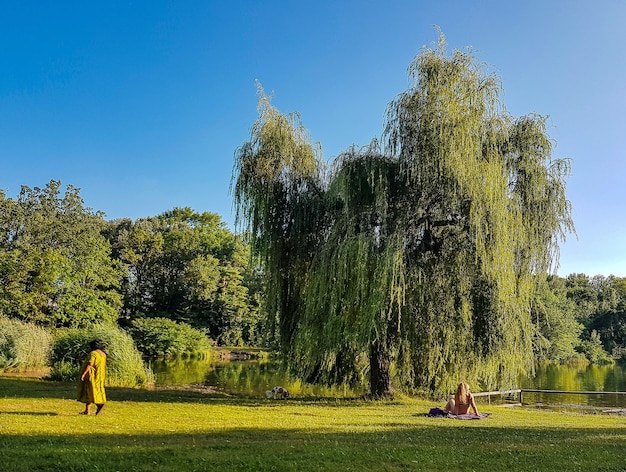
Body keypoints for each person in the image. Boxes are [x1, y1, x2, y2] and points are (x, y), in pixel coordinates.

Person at [77, 340, 107, 415]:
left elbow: (90, 364)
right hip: (100, 375)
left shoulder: (93, 353)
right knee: (93, 391)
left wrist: (83, 374)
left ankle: (99, 405)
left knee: (90, 392)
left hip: (92, 375)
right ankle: (87, 410)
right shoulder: (103, 354)